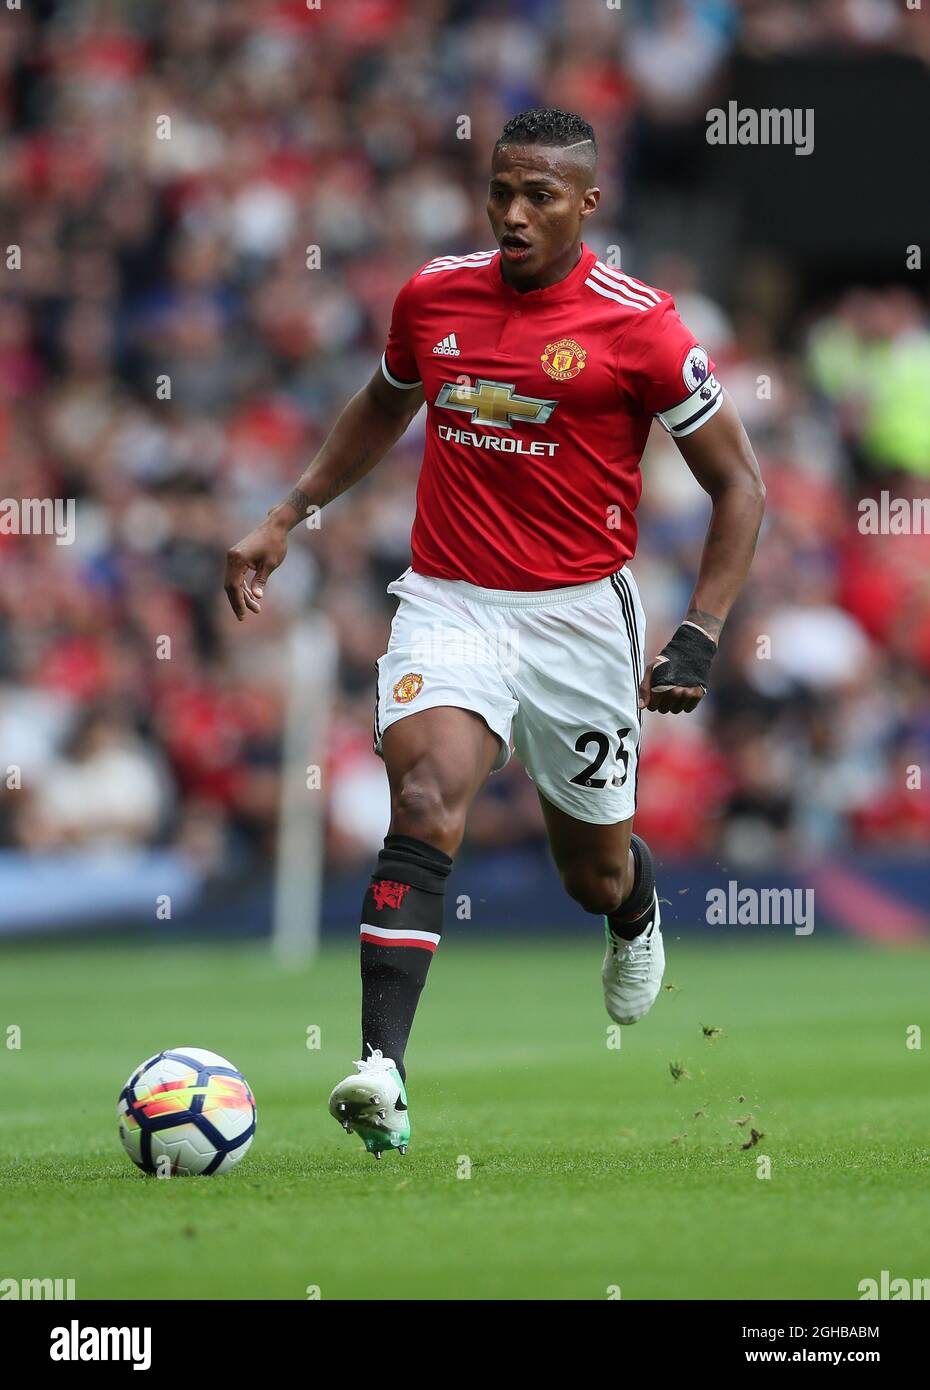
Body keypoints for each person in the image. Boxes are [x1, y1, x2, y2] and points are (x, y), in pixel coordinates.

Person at [224, 109, 766, 1159]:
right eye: (501, 193)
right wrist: (289, 510)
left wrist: (702, 628)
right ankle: (383, 1068)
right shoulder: (435, 294)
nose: (514, 215)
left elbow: (740, 484)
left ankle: (635, 905)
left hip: (578, 619)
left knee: (589, 873)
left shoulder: (643, 325)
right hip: (450, 598)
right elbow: (384, 404)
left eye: (540, 198)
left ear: (587, 206)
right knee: (425, 796)